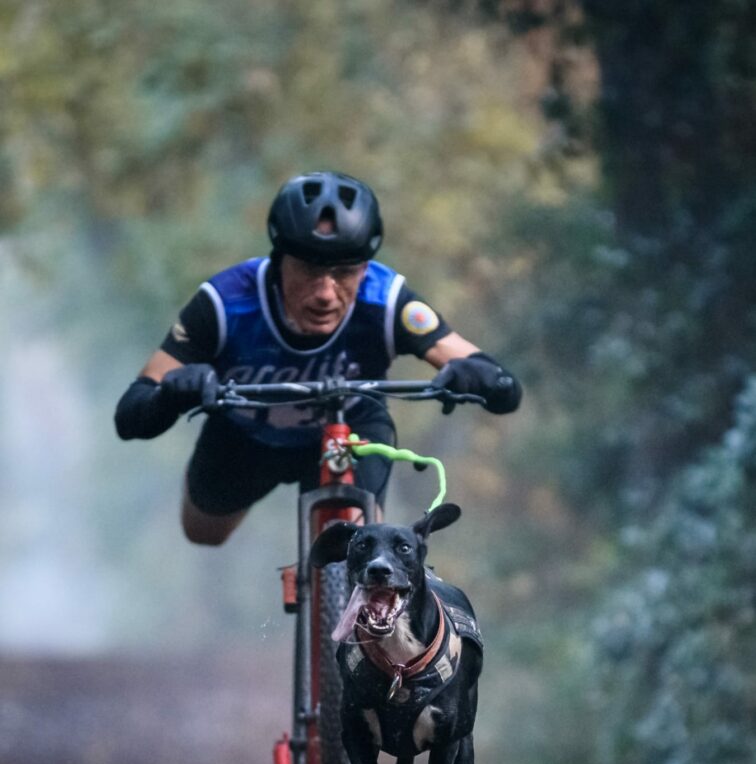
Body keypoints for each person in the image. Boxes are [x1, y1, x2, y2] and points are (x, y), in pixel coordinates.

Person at [115, 171, 521, 544]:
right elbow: (131, 414)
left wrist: (474, 376)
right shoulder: (225, 302)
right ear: (278, 262)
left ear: (365, 269)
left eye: (345, 272)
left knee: (356, 545)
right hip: (245, 437)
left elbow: (500, 384)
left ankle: (344, 607)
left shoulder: (387, 299)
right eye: (309, 270)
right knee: (203, 534)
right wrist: (171, 393)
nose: (326, 293)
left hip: (352, 430)